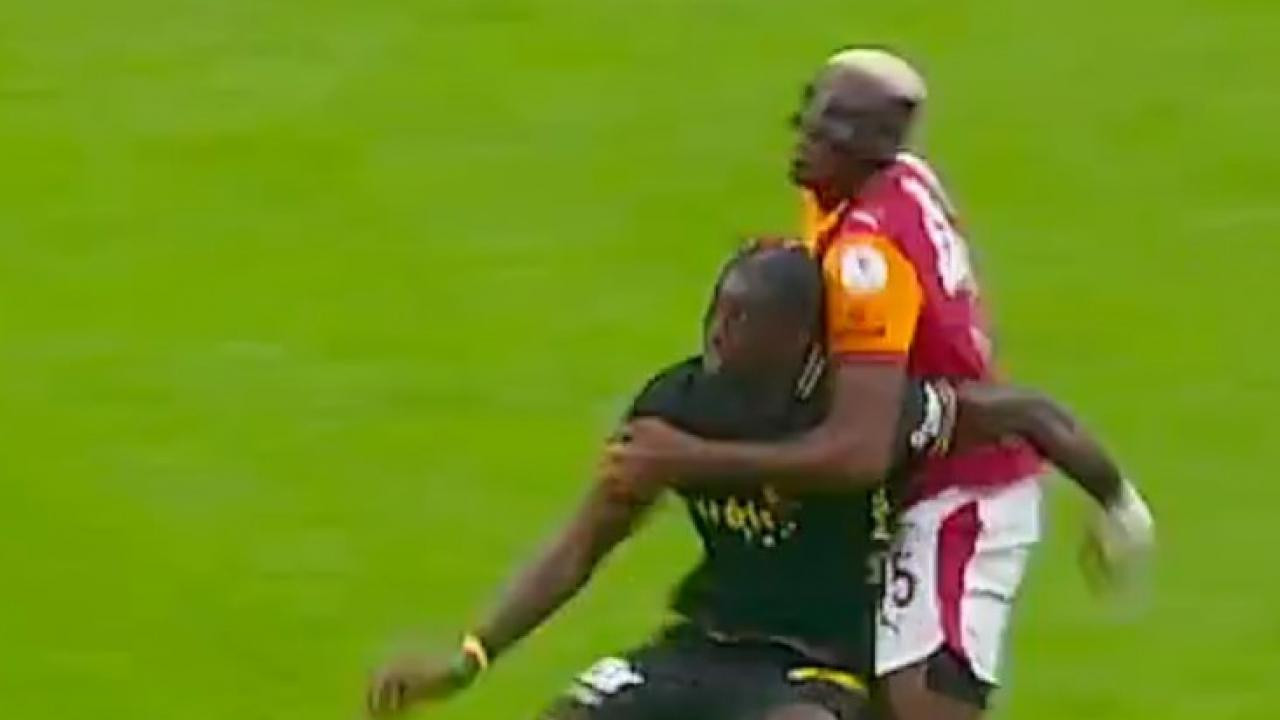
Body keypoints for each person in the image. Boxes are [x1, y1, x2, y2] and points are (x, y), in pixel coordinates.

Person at [367, 245, 1150, 720]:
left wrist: (1115, 502)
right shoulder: (676, 404)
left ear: (801, 337)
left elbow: (1027, 414)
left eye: (744, 319)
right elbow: (579, 548)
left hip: (817, 667)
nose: (718, 331)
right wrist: (467, 658)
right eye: (719, 309)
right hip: (700, 646)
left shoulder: (862, 414)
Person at [606, 50, 1154, 719]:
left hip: (954, 491)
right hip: (921, 462)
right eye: (809, 118)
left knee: (919, 706)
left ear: (871, 149)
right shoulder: (889, 184)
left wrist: (687, 459)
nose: (804, 139)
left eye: (827, 132)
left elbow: (860, 448)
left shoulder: (866, 257)